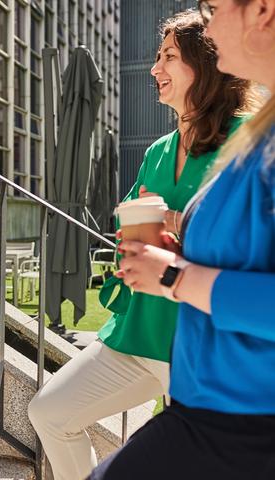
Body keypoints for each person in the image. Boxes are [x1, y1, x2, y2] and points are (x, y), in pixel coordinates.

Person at [27, 10, 260, 480]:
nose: (155, 69)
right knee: (49, 412)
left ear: (208, 63)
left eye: (169, 57)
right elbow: (130, 222)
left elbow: (242, 242)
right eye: (155, 57)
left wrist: (174, 223)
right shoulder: (157, 150)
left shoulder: (248, 139)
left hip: (198, 343)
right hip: (136, 333)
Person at [89, 0, 275, 478]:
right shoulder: (258, 136)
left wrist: (173, 275)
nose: (208, 24)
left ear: (263, 11)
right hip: (205, 413)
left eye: (213, 8)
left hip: (244, 424)